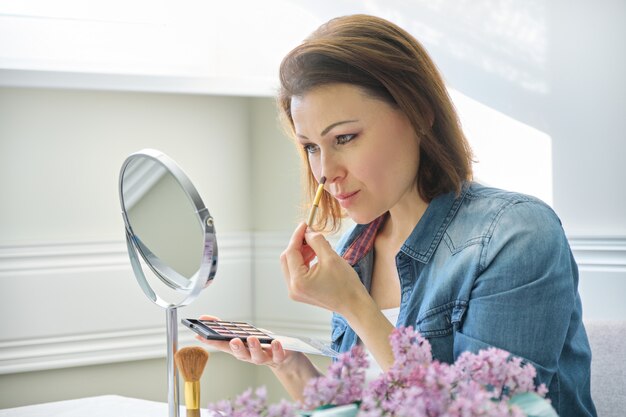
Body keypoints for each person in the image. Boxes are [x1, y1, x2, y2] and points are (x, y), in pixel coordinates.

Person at [198, 14, 596, 416]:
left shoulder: (516, 236)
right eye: (311, 147)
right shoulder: (356, 248)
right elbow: (368, 406)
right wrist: (291, 366)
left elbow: (480, 411)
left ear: (419, 112)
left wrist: (355, 305)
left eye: (345, 138)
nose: (325, 172)